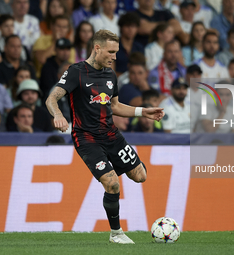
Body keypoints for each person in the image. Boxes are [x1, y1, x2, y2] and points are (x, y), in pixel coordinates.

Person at [45, 29, 164, 244]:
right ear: (97, 48)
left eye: (116, 52)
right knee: (112, 184)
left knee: (140, 176)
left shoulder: (110, 75)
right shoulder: (76, 72)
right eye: (110, 51)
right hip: (86, 138)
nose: (114, 57)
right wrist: (59, 115)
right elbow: (51, 98)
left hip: (111, 134)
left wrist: (142, 111)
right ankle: (116, 233)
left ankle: (111, 168)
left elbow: (115, 106)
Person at [40, 38, 72, 103]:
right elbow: (48, 91)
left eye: (68, 49)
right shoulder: (47, 67)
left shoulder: (70, 66)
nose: (65, 52)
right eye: (62, 49)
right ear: (55, 50)